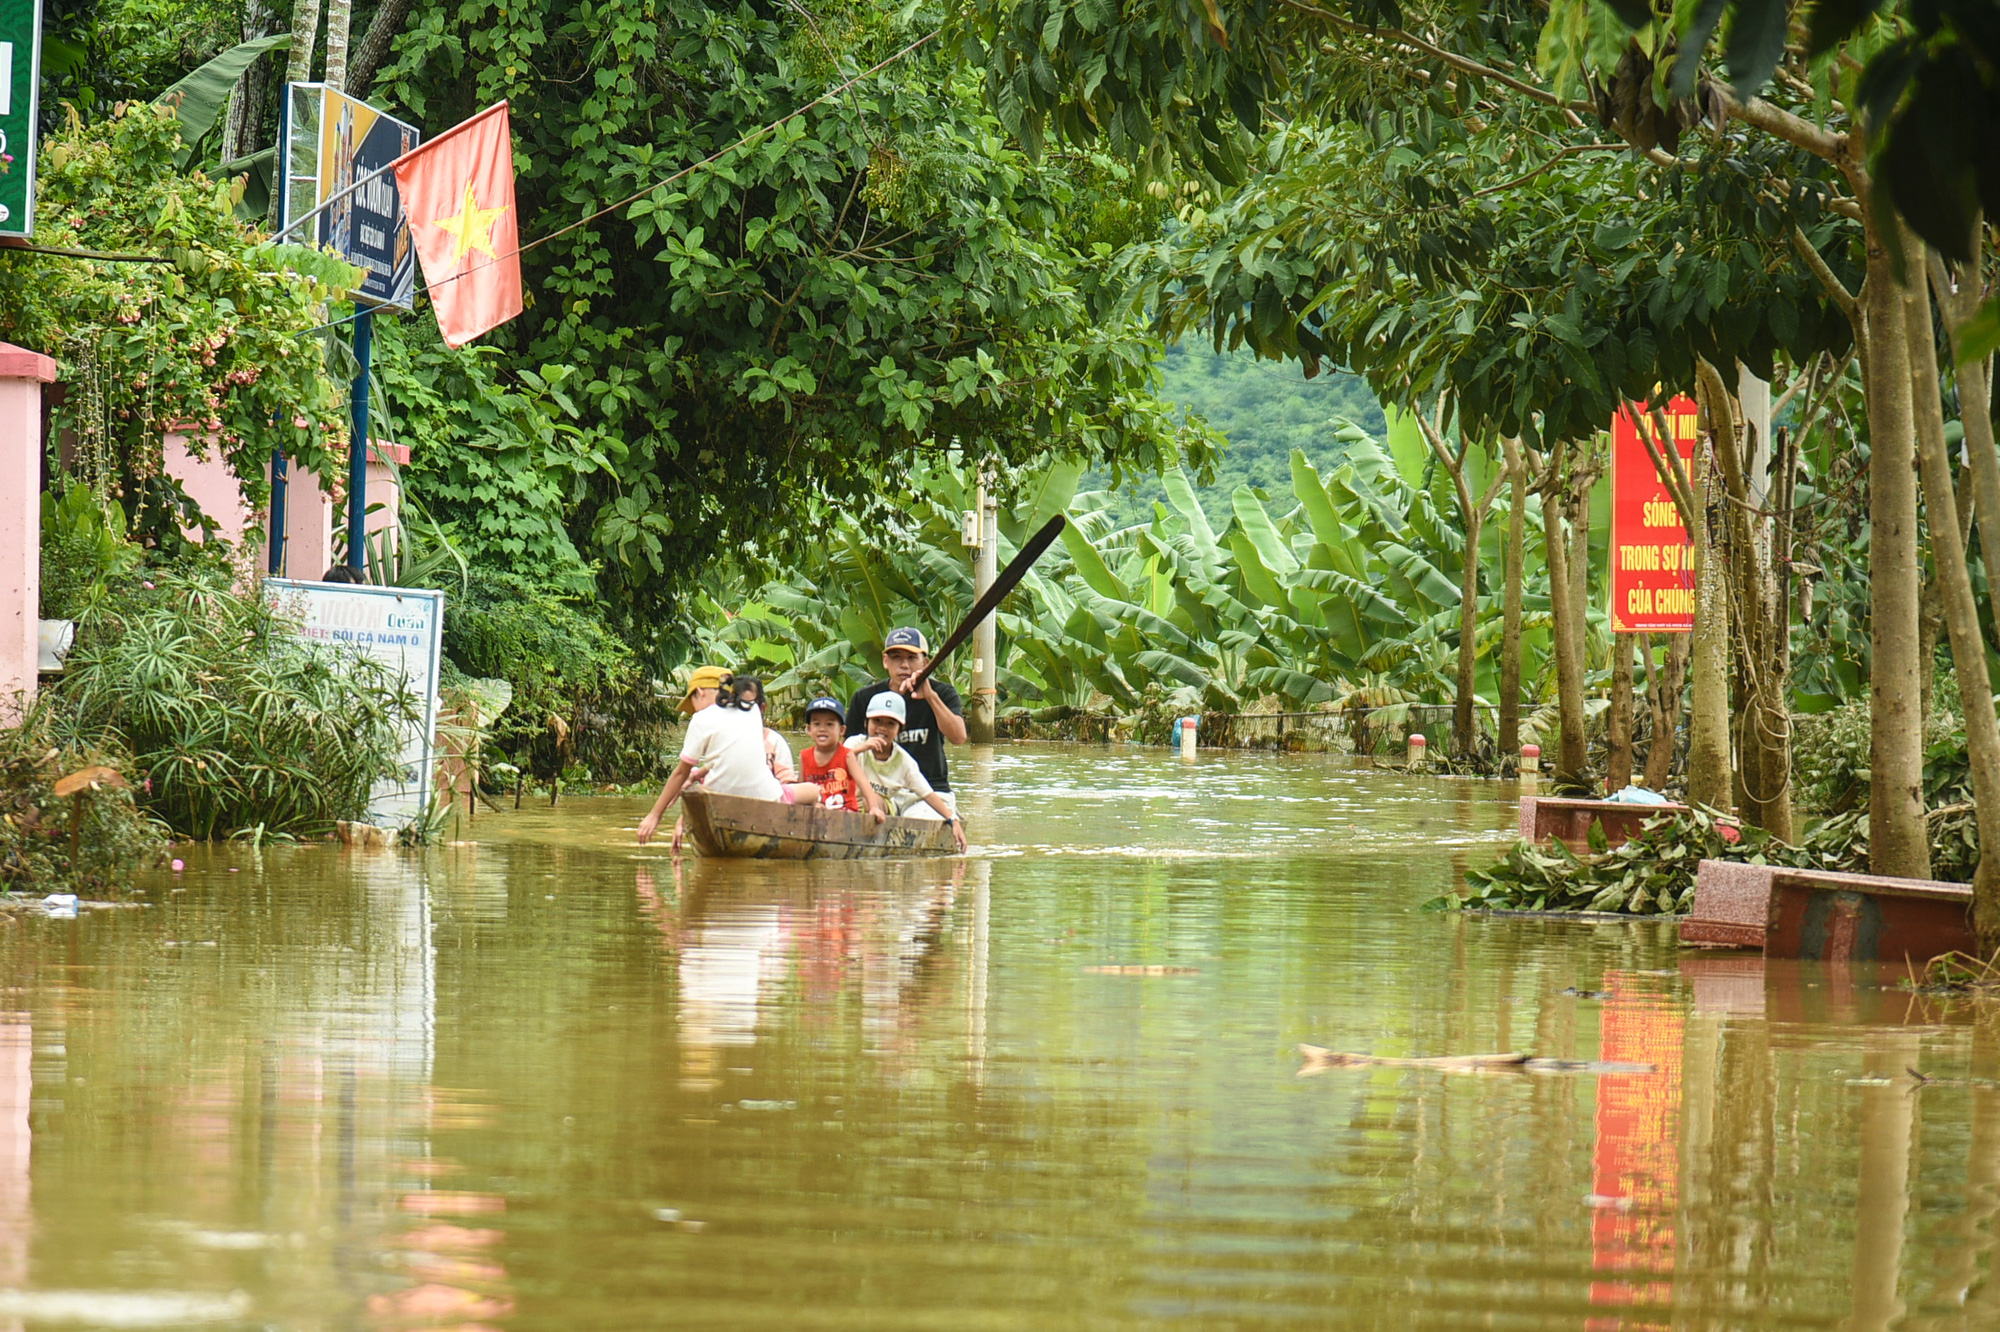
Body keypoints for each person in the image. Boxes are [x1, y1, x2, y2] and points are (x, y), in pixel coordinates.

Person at [637, 672, 818, 844]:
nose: (693, 710)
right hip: (767, 798)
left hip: (718, 801)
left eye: (692, 702)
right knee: (814, 790)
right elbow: (734, 756)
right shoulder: (752, 711)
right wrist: (695, 774)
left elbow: (680, 773)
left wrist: (654, 816)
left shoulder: (701, 719)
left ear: (699, 692)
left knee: (693, 781)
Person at [845, 627, 965, 809]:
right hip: (879, 790)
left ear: (925, 663)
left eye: (911, 658)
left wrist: (930, 697)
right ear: (885, 661)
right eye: (896, 658)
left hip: (929, 790)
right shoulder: (864, 698)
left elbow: (959, 738)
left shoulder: (942, 693)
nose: (904, 665)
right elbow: (845, 756)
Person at [845, 692, 966, 852]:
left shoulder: (904, 761)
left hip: (879, 806)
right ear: (866, 723)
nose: (882, 728)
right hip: (845, 799)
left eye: (890, 724)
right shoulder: (855, 743)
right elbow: (837, 761)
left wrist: (953, 820)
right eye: (877, 721)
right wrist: (862, 748)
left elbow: (927, 794)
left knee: (871, 800)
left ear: (899, 729)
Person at [797, 695, 886, 821]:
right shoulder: (804, 756)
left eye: (829, 724)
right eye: (817, 724)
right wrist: (813, 804)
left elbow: (863, 783)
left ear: (842, 730)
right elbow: (801, 790)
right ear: (809, 729)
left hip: (846, 816)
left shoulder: (847, 755)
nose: (822, 729)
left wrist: (874, 808)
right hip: (815, 815)